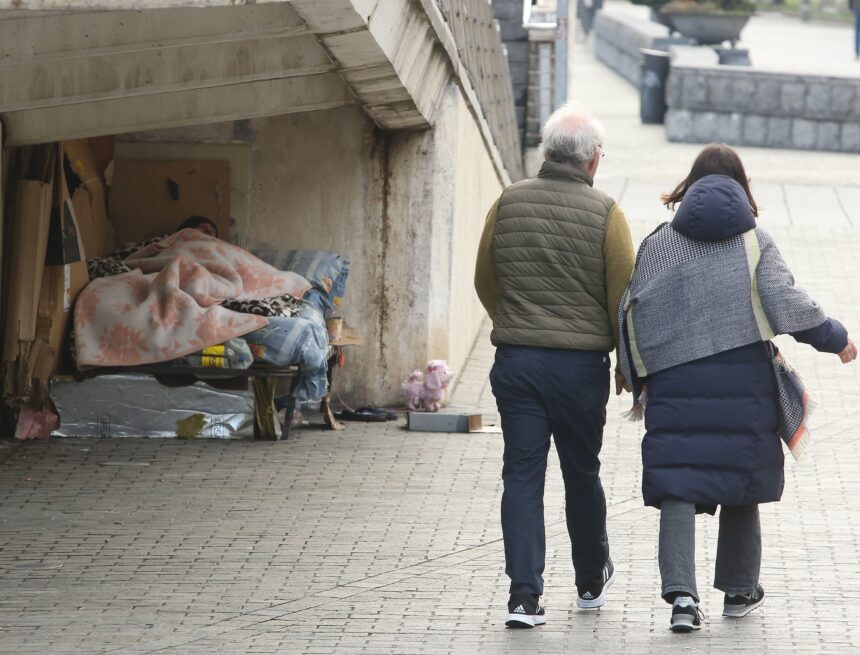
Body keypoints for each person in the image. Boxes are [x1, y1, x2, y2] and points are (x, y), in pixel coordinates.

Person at [616, 144, 857, 633]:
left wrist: (631, 373)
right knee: (741, 480)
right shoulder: (754, 242)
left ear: (689, 186)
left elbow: (632, 309)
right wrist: (836, 338)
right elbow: (786, 303)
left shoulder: (660, 243)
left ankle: (683, 598)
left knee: (677, 483)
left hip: (676, 383)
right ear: (741, 188)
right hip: (745, 382)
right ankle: (739, 590)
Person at [474, 102, 636, 629]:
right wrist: (623, 359)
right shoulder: (607, 213)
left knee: (521, 474)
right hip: (580, 369)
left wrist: (515, 321)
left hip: (517, 363)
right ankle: (590, 580)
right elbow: (624, 296)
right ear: (592, 161)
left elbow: (485, 277)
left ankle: (524, 597)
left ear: (548, 153)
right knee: (581, 472)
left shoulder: (508, 201)